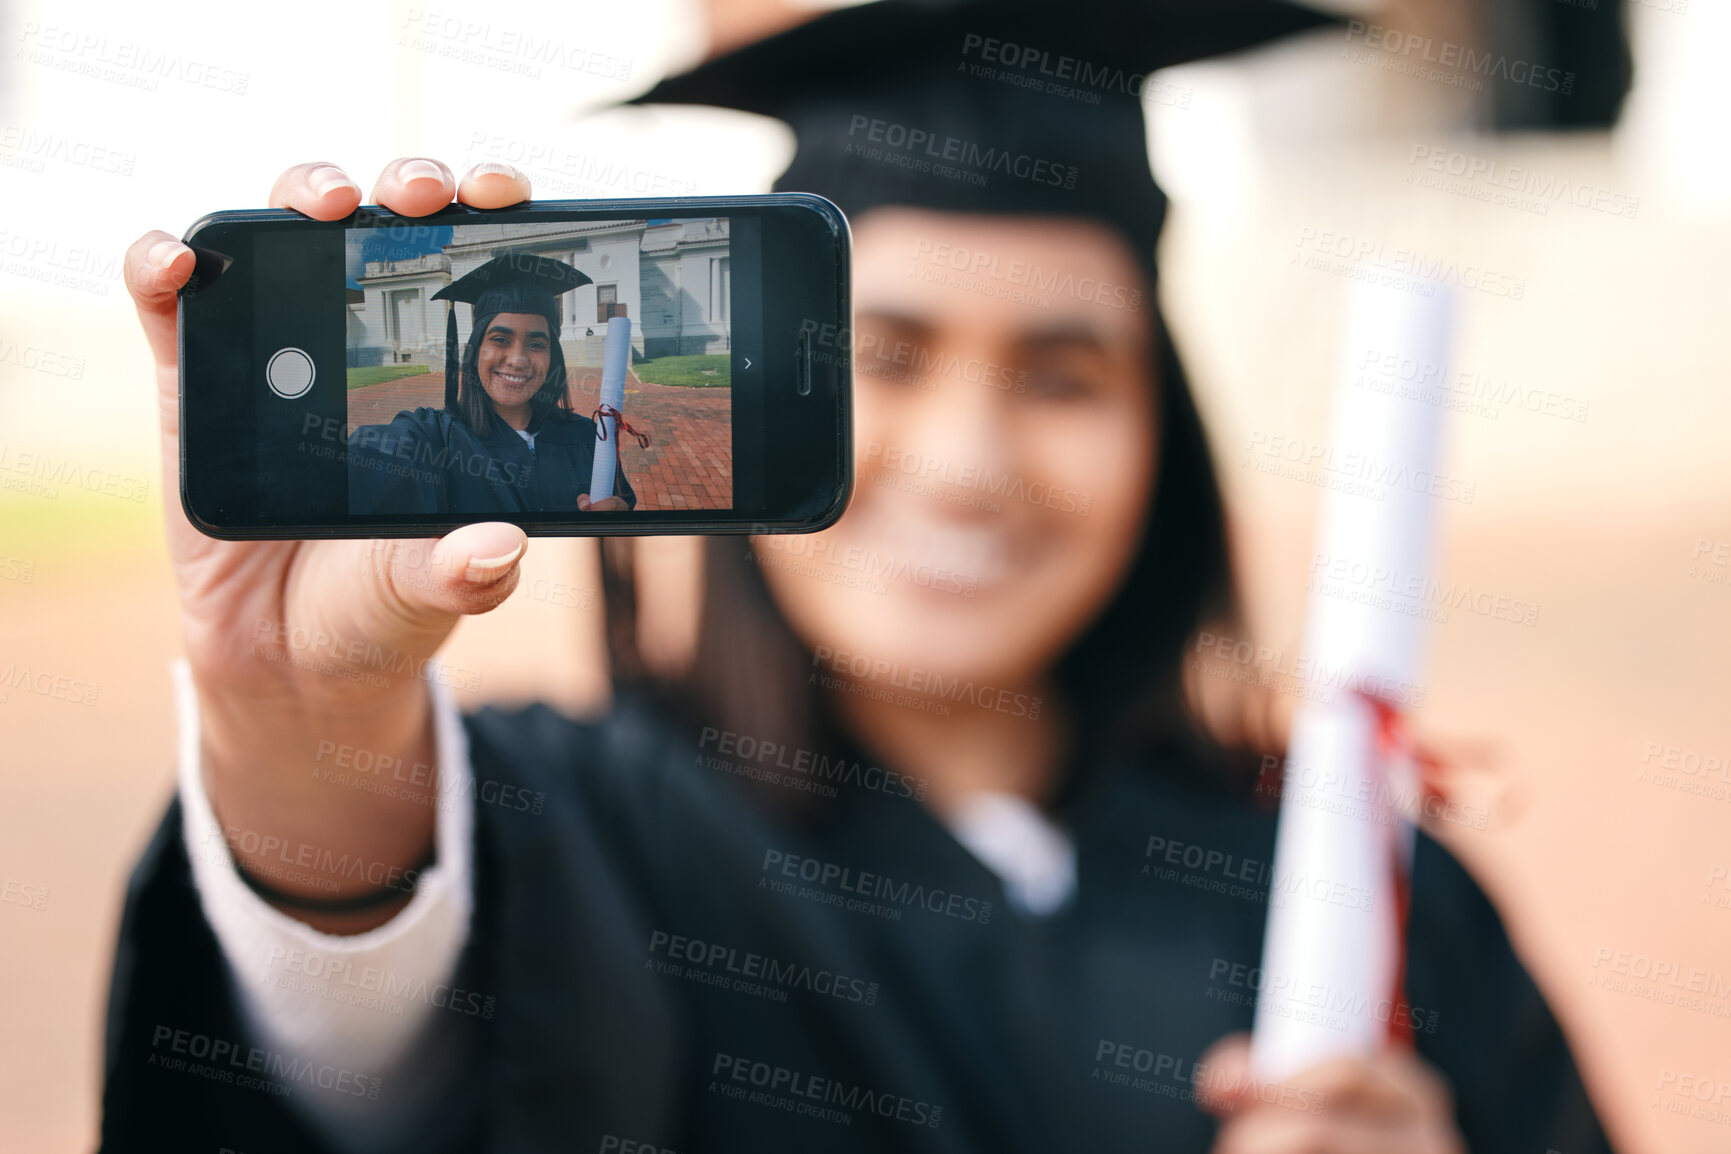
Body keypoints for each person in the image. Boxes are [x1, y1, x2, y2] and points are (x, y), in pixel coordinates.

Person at [104, 2, 1619, 1152]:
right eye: (882, 357)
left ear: (1163, 427)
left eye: (1062, 373)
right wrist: (291, 730)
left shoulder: (1359, 898)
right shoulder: (566, 827)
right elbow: (349, 1041)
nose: (966, 462)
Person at [348, 252, 639, 514]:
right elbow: (366, 461)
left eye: (536, 344)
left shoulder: (588, 437)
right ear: (476, 350)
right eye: (500, 339)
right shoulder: (435, 437)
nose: (518, 359)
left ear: (553, 357)